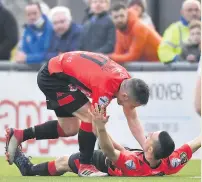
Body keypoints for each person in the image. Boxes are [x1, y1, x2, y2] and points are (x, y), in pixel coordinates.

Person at [5, 51, 150, 177]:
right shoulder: (105, 87)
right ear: (125, 96)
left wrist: (146, 149)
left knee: (69, 129)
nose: (130, 108)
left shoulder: (127, 81)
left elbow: (132, 117)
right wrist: (123, 152)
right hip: (53, 77)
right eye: (132, 105)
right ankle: (85, 166)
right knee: (90, 117)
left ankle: (19, 135)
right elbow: (97, 128)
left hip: (60, 73)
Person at [10, 105, 201, 177]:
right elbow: (196, 142)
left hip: (100, 162)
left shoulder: (133, 165)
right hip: (122, 154)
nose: (148, 133)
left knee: (64, 162)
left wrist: (100, 128)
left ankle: (29, 170)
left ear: (150, 149)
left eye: (150, 136)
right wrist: (100, 128)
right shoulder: (171, 162)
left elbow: (108, 150)